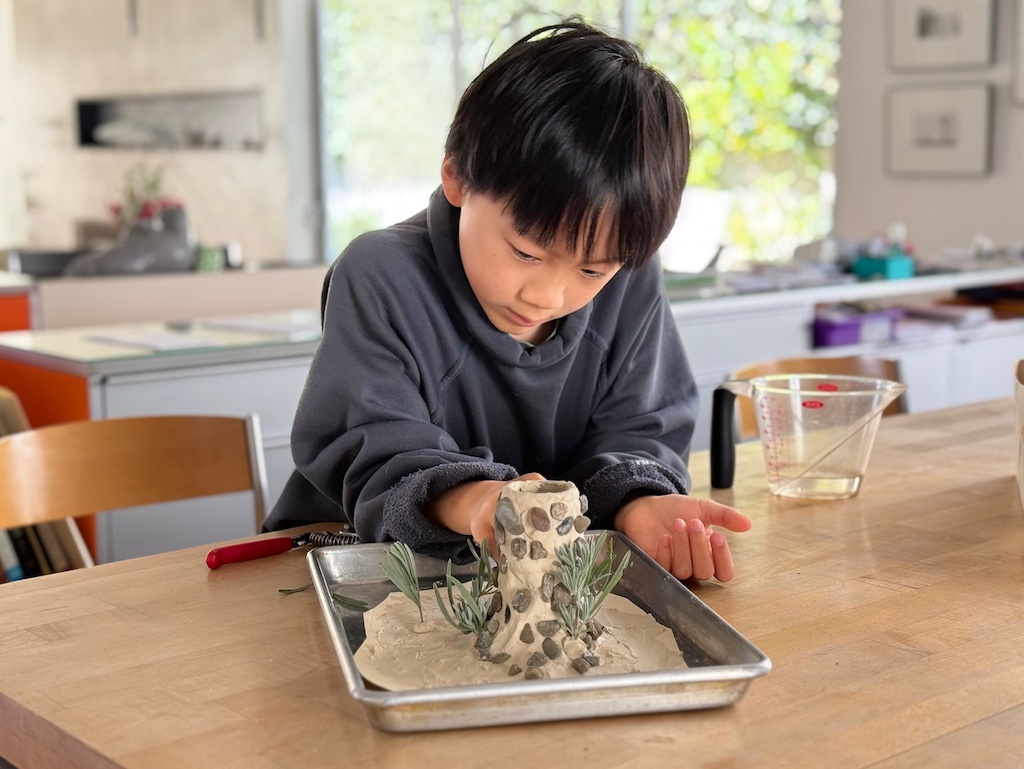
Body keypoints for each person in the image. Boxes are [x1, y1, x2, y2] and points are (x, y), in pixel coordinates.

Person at [265, 18, 751, 582]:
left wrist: (638, 502)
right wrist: (477, 502)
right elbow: (379, 447)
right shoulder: (381, 274)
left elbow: (642, 426)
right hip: (355, 567)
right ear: (457, 178)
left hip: (523, 581)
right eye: (525, 252)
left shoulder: (629, 278)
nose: (547, 295)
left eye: (592, 269)